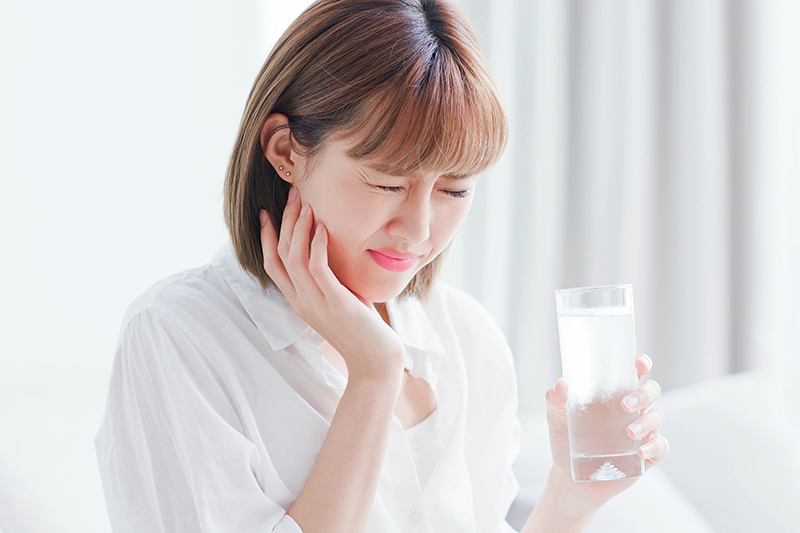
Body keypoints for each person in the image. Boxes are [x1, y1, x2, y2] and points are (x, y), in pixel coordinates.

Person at [95, 0, 668, 531]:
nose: (419, 230)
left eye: (454, 191)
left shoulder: (465, 337)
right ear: (285, 150)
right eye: (387, 182)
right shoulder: (179, 336)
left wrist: (570, 495)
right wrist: (373, 375)